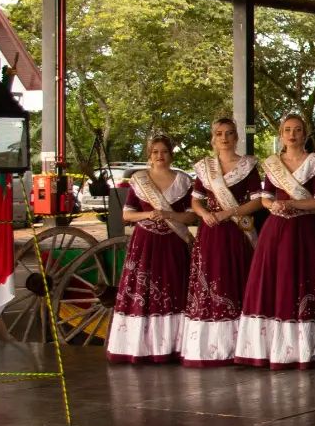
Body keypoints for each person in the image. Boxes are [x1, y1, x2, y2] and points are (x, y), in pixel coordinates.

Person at [235, 114, 315, 369]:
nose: (292, 134)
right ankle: (272, 347)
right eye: (287, 130)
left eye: (297, 130)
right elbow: (265, 197)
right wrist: (273, 205)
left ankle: (310, 348)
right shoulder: (273, 164)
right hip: (276, 231)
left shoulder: (314, 163)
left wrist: (291, 204)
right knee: (275, 283)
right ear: (281, 134)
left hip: (305, 231)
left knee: (305, 282)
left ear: (304, 134)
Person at [107, 135, 197, 364]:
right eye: (155, 152)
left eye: (164, 151)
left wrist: (168, 215)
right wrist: (149, 214)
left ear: (171, 155)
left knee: (173, 289)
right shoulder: (139, 180)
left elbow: (191, 217)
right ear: (149, 155)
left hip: (172, 243)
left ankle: (172, 346)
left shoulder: (184, 181)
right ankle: (140, 347)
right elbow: (127, 215)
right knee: (143, 289)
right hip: (145, 243)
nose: (160, 156)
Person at [181, 119, 263, 366]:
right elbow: (196, 200)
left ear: (236, 137)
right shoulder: (205, 168)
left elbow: (258, 201)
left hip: (237, 232)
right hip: (211, 232)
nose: (224, 138)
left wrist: (230, 212)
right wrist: (204, 214)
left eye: (229, 133)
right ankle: (210, 347)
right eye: (219, 134)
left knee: (236, 280)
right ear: (213, 139)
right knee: (210, 282)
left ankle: (241, 345)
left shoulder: (248, 166)